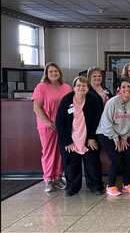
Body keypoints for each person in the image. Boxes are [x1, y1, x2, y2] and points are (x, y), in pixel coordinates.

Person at [55, 77, 104, 196]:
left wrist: (91, 137)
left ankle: (95, 186)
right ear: (74, 87)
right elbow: (59, 122)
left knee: (92, 163)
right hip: (71, 137)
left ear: (88, 88)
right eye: (78, 85)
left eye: (84, 86)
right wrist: (67, 141)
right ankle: (72, 187)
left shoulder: (93, 99)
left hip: (89, 136)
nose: (81, 88)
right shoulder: (67, 100)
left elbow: (98, 119)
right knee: (71, 164)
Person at [32, 62, 72, 193]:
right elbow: (37, 108)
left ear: (60, 73)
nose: (54, 73)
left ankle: (58, 177)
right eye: (51, 72)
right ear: (47, 74)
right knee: (49, 151)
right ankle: (48, 178)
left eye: (56, 71)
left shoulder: (66, 87)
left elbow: (71, 106)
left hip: (63, 126)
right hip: (47, 125)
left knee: (61, 152)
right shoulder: (41, 87)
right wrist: (49, 123)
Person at [96, 78, 130, 196]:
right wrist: (115, 139)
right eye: (123, 87)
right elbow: (106, 123)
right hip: (106, 133)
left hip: (122, 135)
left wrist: (124, 138)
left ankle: (126, 184)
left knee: (129, 158)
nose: (127, 89)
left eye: (129, 86)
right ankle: (111, 185)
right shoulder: (112, 102)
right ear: (119, 89)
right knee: (116, 158)